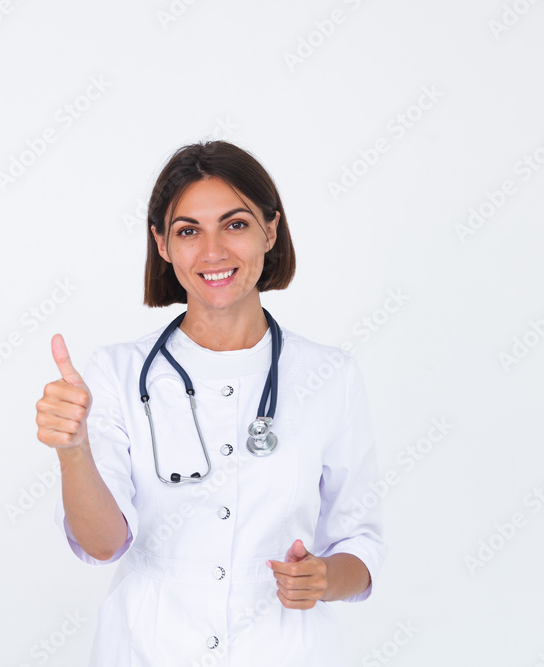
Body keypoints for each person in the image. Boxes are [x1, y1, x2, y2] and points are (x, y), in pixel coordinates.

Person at [35, 140, 386, 666]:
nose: (213, 251)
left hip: (284, 648)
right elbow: (104, 544)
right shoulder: (118, 373)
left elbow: (359, 542)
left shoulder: (329, 376)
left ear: (271, 229)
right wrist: (73, 449)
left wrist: (323, 577)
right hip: (150, 647)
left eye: (236, 224)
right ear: (161, 244)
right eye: (188, 231)